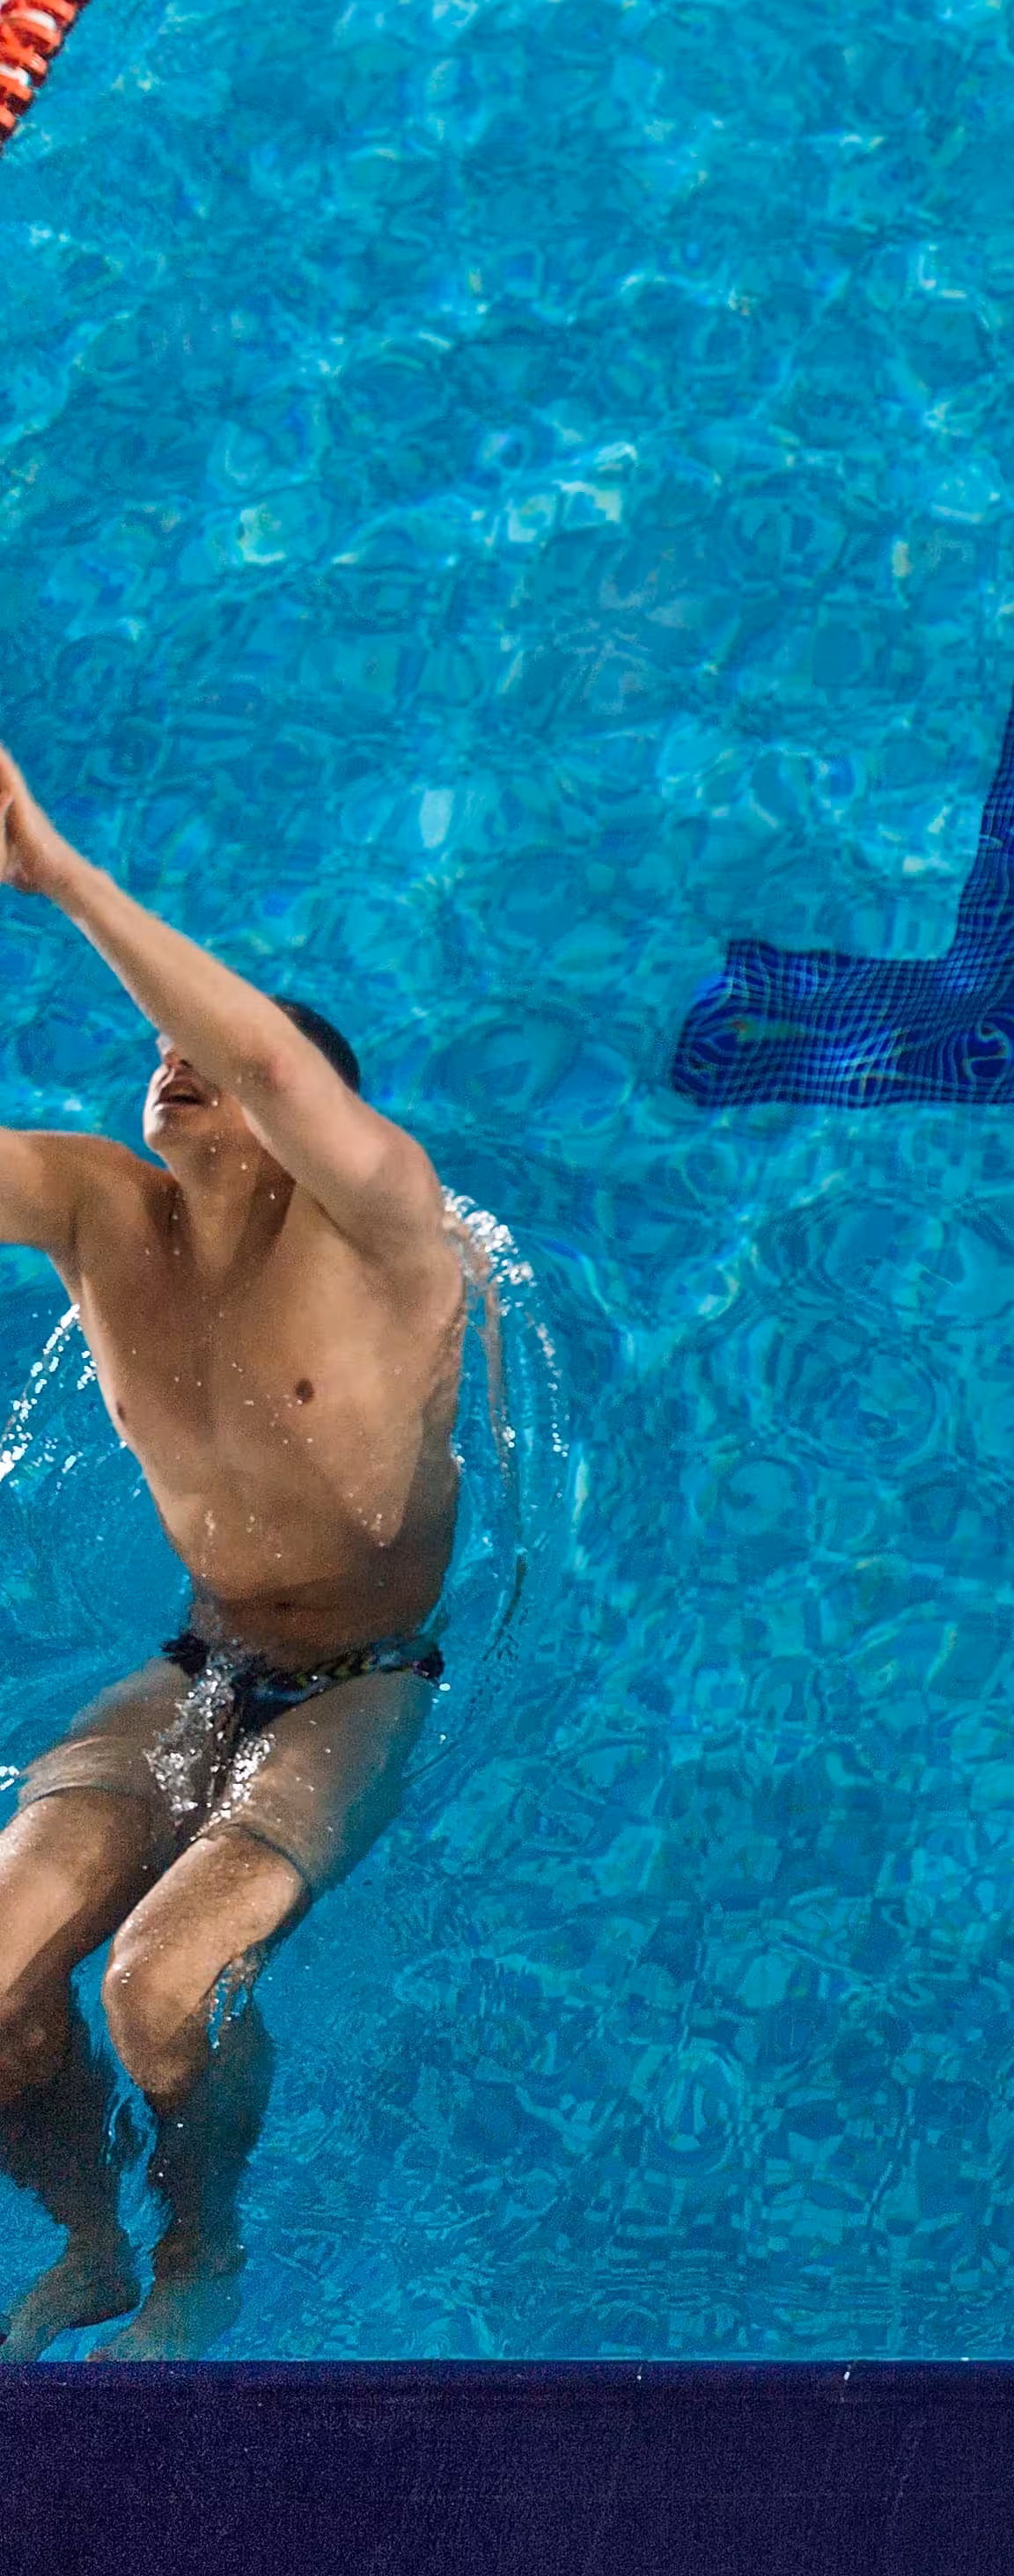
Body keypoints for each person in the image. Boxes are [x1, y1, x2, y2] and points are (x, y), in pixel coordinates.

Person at [0, 741, 464, 2357]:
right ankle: (86, 2242)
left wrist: (58, 876)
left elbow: (265, 1053)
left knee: (157, 1986)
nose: (173, 1059)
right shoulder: (101, 1216)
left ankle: (202, 2252)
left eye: (205, 1046)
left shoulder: (386, 1225)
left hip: (361, 1681)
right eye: (160, 1049)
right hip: (200, 1660)